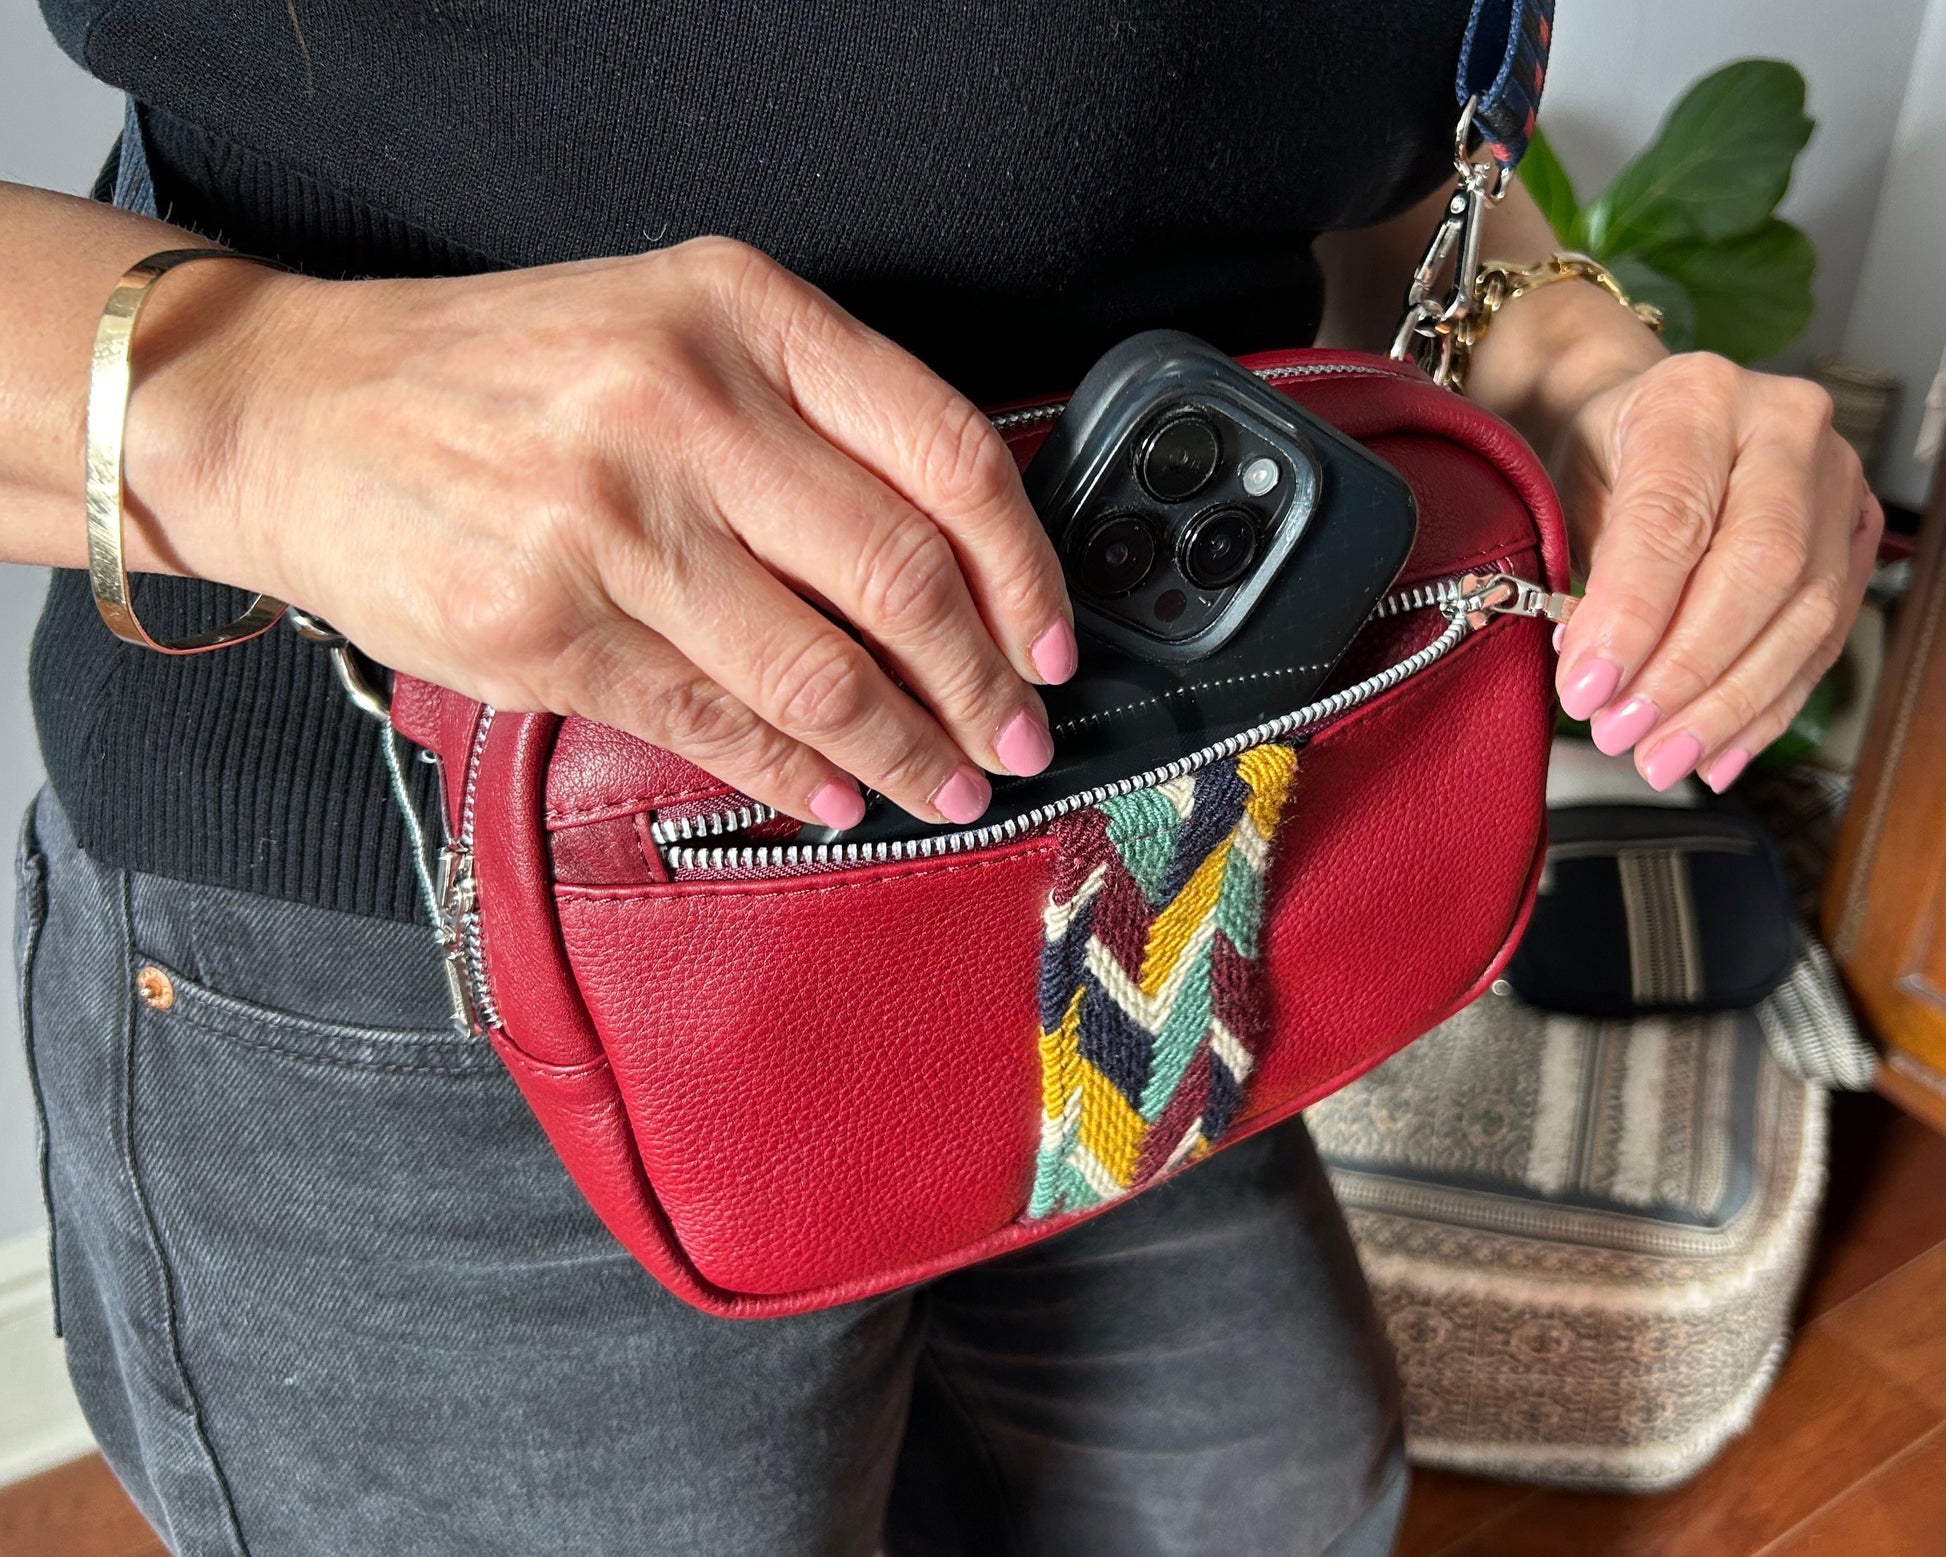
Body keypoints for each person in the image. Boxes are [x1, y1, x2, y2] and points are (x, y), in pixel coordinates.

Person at [3, 4, 1879, 1554]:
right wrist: (242, 403)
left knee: (1272, 1489)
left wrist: (1557, 346)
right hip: (443, 951)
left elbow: (1298, 126)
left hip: (1154, 828)